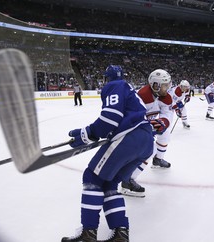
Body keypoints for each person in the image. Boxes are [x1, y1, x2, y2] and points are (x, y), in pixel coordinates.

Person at [62, 65, 154, 241]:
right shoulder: (129, 89)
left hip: (129, 137)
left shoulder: (114, 85)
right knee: (109, 183)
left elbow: (110, 119)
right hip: (146, 141)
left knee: (92, 178)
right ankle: (120, 232)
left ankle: (88, 233)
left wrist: (86, 133)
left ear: (106, 79)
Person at [121, 69, 174, 197]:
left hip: (148, 125)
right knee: (148, 150)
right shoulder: (142, 96)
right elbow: (131, 116)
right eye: (165, 85)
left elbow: (167, 113)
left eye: (168, 84)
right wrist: (147, 127)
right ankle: (127, 181)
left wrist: (163, 122)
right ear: (155, 85)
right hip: (136, 128)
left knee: (166, 136)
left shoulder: (164, 97)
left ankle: (158, 160)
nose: (168, 88)